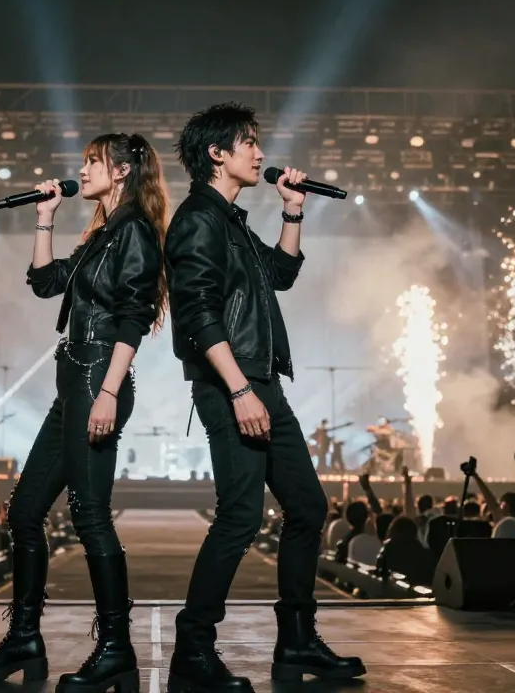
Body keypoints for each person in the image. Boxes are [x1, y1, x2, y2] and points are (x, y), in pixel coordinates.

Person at [164, 103, 364, 690]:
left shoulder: (230, 221)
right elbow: (197, 314)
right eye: (247, 142)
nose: (259, 152)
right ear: (216, 153)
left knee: (307, 507)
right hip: (234, 386)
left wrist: (293, 210)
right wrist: (239, 389)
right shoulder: (197, 220)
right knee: (240, 516)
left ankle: (296, 642)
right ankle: (193, 649)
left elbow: (280, 273)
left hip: (261, 383)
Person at [0, 133, 168, 693]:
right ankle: (24, 638)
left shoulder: (134, 230)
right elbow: (45, 283)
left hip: (98, 376)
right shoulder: (102, 232)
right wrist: (44, 218)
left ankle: (115, 647)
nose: (82, 170)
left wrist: (108, 392)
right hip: (72, 380)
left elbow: (134, 315)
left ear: (122, 171)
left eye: (92, 162)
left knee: (89, 513)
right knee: (25, 510)